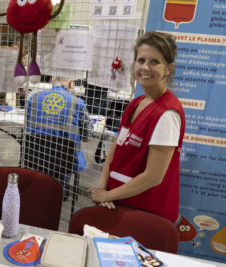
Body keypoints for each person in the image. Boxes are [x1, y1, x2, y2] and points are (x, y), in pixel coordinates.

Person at [88, 31, 185, 223]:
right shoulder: (136, 103)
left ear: (169, 69)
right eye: (141, 60)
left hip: (146, 213)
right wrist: (103, 188)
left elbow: (153, 177)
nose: (145, 67)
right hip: (119, 201)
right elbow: (116, 148)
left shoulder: (167, 114)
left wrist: (108, 195)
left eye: (154, 62)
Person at [26, 77, 92, 200]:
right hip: (64, 161)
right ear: (70, 84)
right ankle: (60, 195)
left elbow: (27, 125)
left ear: (51, 81)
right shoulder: (77, 103)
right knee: (64, 164)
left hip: (36, 157)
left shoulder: (34, 98)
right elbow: (87, 137)